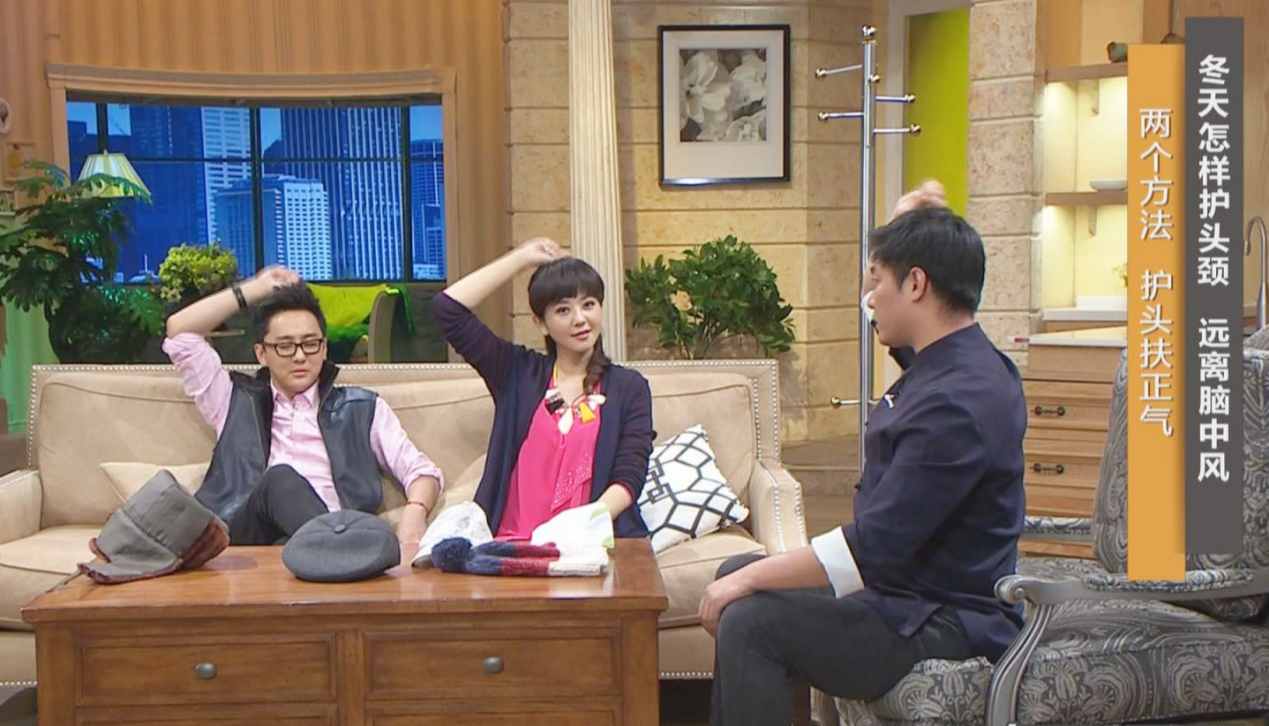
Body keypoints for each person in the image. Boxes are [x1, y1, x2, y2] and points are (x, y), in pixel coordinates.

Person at [699, 183, 1027, 726]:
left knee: (750, 617)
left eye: (881, 279)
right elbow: (883, 310)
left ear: (916, 284)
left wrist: (749, 582)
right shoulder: (955, 361)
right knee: (739, 571)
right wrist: (898, 233)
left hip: (941, 618)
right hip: (902, 591)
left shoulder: (959, 401)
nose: (870, 297)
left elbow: (874, 547)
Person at [163, 266, 444, 551]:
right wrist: (255, 288)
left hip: (320, 535)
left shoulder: (362, 409)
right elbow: (180, 332)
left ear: (324, 349)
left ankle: (333, 549)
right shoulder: (232, 399)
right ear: (261, 353)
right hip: (247, 538)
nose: (299, 356)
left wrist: (415, 511)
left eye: (310, 344)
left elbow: (422, 472)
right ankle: (344, 553)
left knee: (293, 543)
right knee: (280, 480)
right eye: (285, 346)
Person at [430, 239, 655, 540]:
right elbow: (447, 309)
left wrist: (586, 522)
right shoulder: (516, 372)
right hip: (511, 544)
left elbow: (630, 473)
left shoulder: (629, 388)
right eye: (563, 310)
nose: (580, 319)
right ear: (541, 323)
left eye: (588, 304)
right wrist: (522, 258)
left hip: (592, 545)